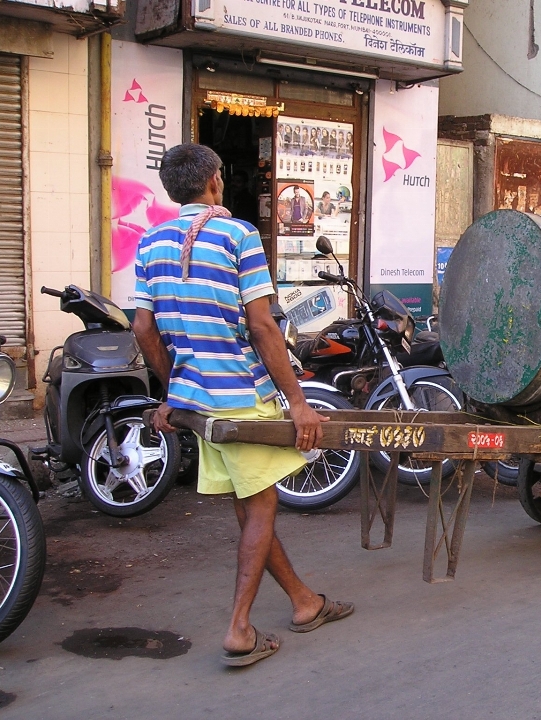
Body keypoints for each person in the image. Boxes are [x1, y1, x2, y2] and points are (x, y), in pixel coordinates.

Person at [132, 144, 354, 668]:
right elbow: (261, 325)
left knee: (250, 503)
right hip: (240, 397)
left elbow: (143, 328)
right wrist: (298, 403)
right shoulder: (238, 235)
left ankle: (305, 603)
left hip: (200, 403)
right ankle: (238, 629)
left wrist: (174, 390)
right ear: (214, 181)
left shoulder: (151, 242)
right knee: (260, 508)